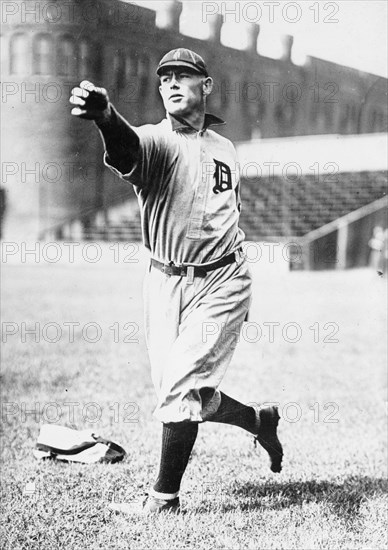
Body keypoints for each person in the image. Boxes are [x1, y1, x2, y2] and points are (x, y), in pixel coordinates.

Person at [70, 48, 283, 515]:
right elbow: (127, 148)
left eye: (183, 75)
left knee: (180, 390)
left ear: (205, 86)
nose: (170, 82)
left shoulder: (225, 146)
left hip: (222, 280)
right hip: (165, 281)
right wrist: (106, 117)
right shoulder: (156, 141)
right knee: (192, 397)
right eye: (164, 76)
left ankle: (163, 500)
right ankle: (257, 420)